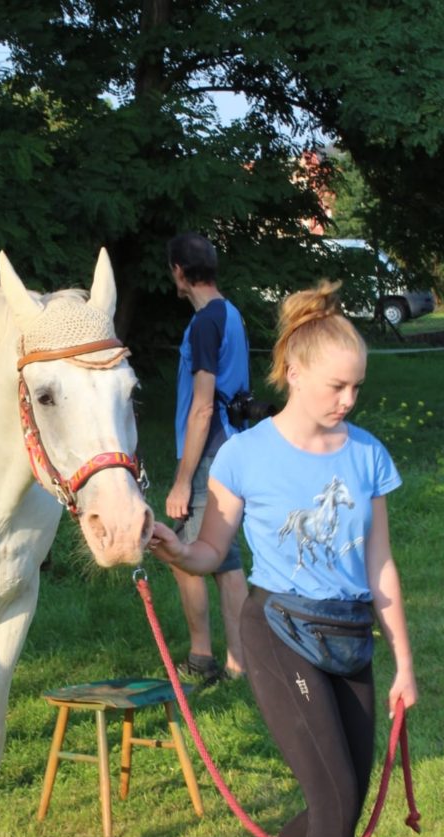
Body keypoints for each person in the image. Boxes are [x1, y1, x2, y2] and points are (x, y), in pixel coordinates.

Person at [148, 281, 419, 837]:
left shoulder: (367, 455)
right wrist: (174, 549)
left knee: (343, 797)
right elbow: (212, 553)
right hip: (277, 634)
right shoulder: (243, 457)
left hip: (349, 637)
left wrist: (403, 661)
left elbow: (380, 565)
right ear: (293, 372)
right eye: (337, 386)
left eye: (357, 387)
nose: (349, 401)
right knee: (332, 799)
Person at [166, 232, 250, 685]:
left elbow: (202, 406)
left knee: (187, 555)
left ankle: (205, 658)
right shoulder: (230, 313)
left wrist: (183, 480)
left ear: (179, 271)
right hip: (233, 447)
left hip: (209, 453)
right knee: (225, 559)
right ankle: (240, 661)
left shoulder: (204, 324)